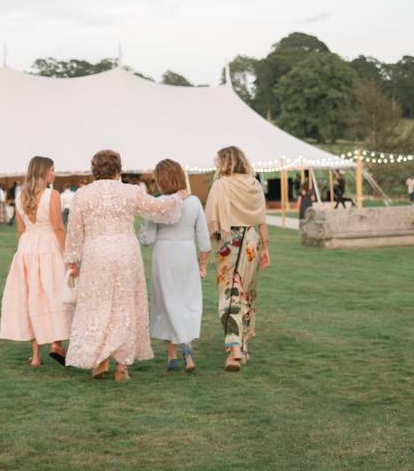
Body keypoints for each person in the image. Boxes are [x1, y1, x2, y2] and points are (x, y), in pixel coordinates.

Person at [64, 149, 185, 382]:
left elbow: (74, 231)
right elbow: (158, 208)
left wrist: (72, 260)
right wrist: (177, 196)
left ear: (94, 170)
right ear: (118, 169)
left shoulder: (83, 194)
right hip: (125, 252)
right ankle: (122, 366)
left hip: (96, 253)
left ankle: (99, 361)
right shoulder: (130, 192)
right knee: (124, 306)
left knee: (97, 305)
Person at [0, 156, 73, 367]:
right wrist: (67, 256)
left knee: (30, 297)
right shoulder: (52, 194)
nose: (54, 173)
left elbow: (21, 231)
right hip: (48, 246)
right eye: (52, 169)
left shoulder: (21, 197)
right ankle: (56, 344)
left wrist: (24, 252)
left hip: (27, 248)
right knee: (53, 294)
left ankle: (35, 356)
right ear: (43, 172)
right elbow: (58, 227)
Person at [139, 160, 210, 374]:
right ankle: (186, 346)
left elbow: (148, 239)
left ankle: (171, 355)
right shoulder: (195, 202)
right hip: (187, 253)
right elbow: (204, 239)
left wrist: (142, 230)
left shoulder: (158, 203)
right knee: (186, 299)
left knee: (166, 301)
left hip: (165, 255)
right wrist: (203, 264)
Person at [204, 145, 270, 373]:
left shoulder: (221, 185)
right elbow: (261, 219)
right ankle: (243, 344)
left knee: (229, 292)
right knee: (246, 292)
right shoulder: (254, 184)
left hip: (230, 241)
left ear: (225, 162)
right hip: (252, 240)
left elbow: (211, 218)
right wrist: (265, 248)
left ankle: (233, 351)